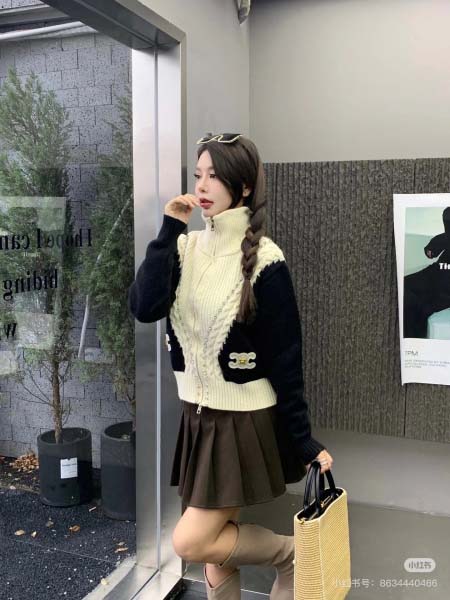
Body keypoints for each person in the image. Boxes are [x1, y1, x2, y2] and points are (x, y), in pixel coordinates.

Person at [127, 133, 334, 599]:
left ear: (243, 187)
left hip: (243, 421)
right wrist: (169, 230)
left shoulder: (266, 260)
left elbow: (286, 358)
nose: (201, 185)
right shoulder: (184, 248)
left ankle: (292, 554)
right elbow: (144, 306)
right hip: (198, 418)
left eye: (214, 176)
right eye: (198, 174)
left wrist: (302, 439)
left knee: (191, 541)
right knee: (214, 554)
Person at [403, 207, 450, 338]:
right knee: (403, 286)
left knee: (420, 304)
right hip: (434, 273)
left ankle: (415, 340)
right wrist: (431, 249)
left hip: (444, 287)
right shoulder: (444, 237)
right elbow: (430, 252)